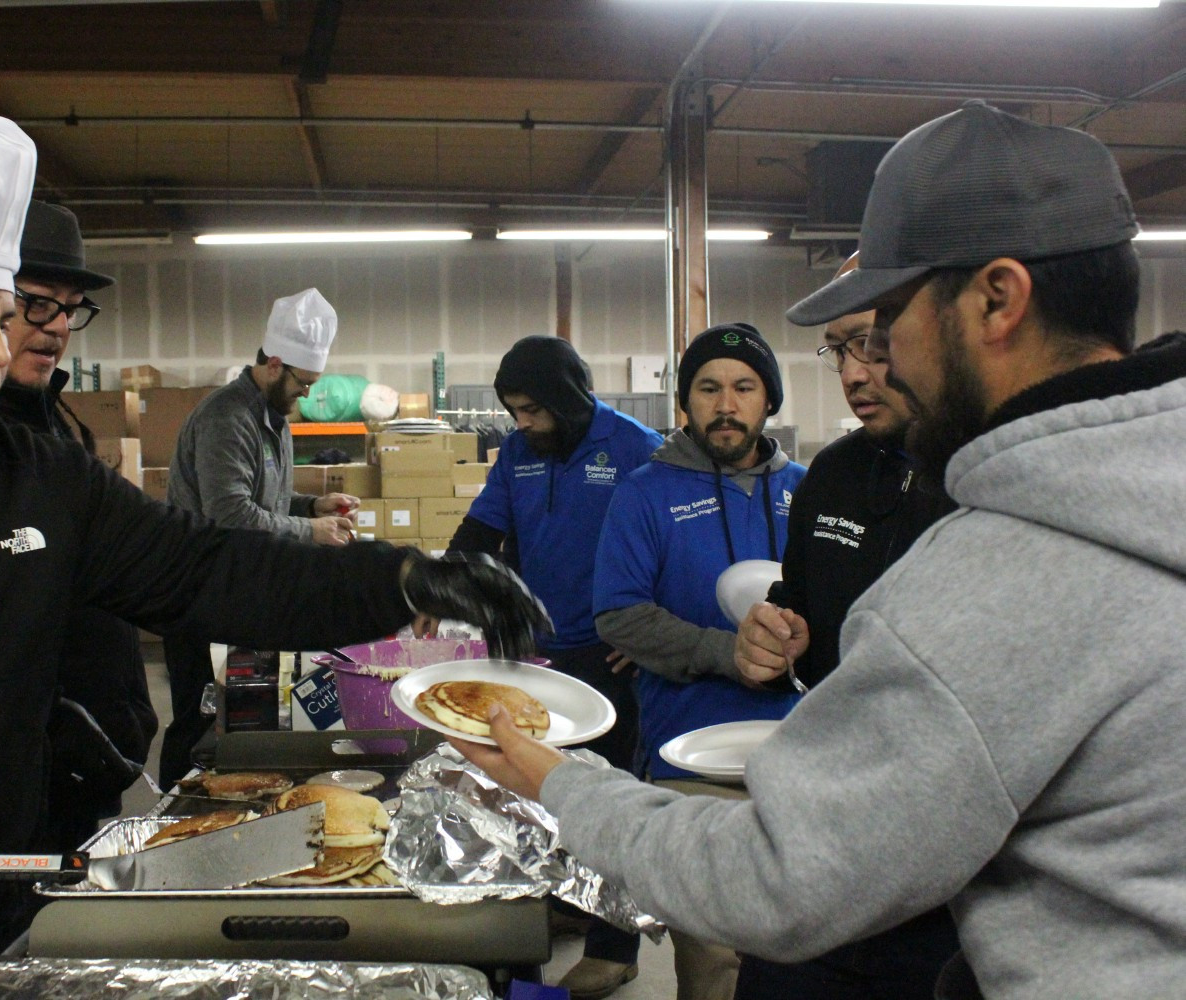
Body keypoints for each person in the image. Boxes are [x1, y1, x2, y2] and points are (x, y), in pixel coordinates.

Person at [0, 95, 549, 1000]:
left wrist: (407, 577)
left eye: (1, 316)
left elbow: (209, 569)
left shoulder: (38, 478)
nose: (1, 349)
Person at [455, 101, 1186, 1000]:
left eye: (889, 321)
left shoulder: (1000, 576)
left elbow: (779, 878)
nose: (879, 363)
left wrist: (560, 783)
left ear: (997, 300)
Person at [730, 253, 959, 999]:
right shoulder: (831, 474)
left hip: (946, 867)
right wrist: (773, 634)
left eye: (874, 341)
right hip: (825, 830)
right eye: (839, 350)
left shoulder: (982, 481)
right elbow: (798, 601)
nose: (855, 374)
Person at [434, 334, 662, 1000]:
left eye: (534, 410)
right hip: (540, 652)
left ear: (568, 398)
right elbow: (480, 529)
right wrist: (441, 584)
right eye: (515, 412)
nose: (524, 424)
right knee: (541, 794)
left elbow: (666, 544)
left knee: (609, 797)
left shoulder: (635, 450)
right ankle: (572, 898)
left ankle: (615, 947)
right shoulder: (521, 455)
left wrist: (645, 631)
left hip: (608, 655)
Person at [590, 321, 806, 1000]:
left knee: (799, 947)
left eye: (744, 387)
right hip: (688, 754)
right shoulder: (644, 493)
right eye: (708, 388)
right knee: (714, 960)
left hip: (801, 751)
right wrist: (726, 655)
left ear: (768, 400)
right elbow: (620, 614)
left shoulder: (811, 489)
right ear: (686, 402)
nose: (725, 403)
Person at [0, 199, 158, 851]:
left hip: (88, 770)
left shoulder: (56, 424)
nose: (57, 326)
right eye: (38, 303)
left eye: (69, 308)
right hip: (25, 787)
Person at [158, 287, 361, 783]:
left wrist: (312, 505)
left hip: (242, 593)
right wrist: (310, 531)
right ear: (274, 364)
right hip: (198, 599)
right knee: (200, 721)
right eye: (303, 383)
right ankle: (171, 815)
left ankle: (229, 805)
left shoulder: (275, 420)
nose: (309, 395)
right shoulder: (227, 419)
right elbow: (229, 516)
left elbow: (264, 502)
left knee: (240, 717)